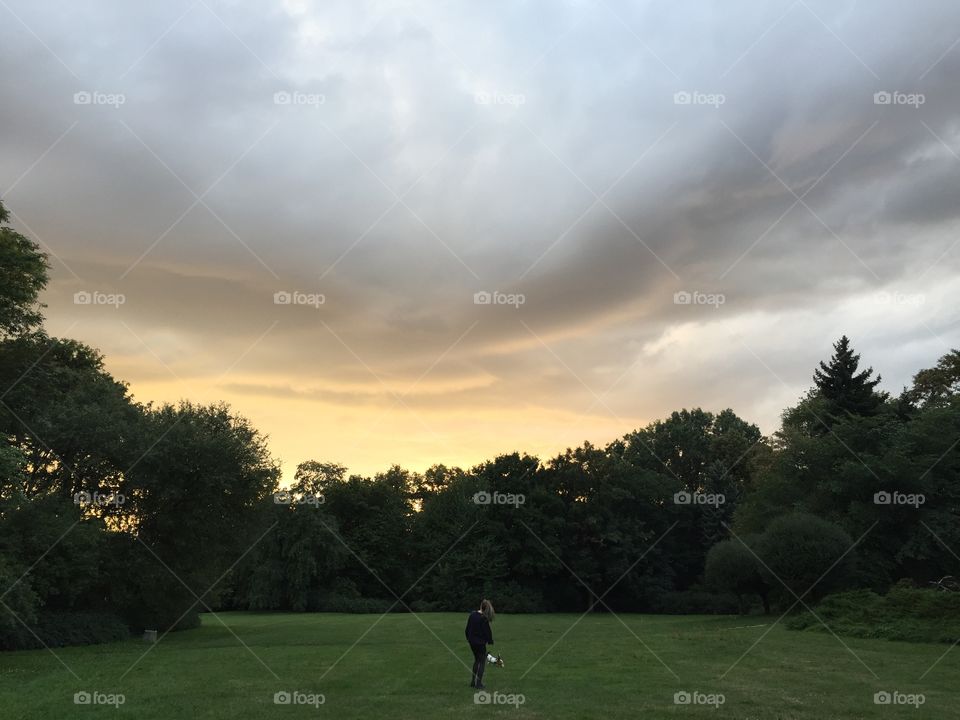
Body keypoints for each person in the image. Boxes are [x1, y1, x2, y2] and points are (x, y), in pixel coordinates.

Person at [465, 599, 495, 689]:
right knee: (482, 662)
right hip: (480, 643)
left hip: (472, 642)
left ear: (481, 605)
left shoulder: (472, 615)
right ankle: (479, 683)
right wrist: (490, 641)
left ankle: (473, 682)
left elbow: (467, 629)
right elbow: (487, 632)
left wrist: (468, 638)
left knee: (476, 660)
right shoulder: (483, 618)